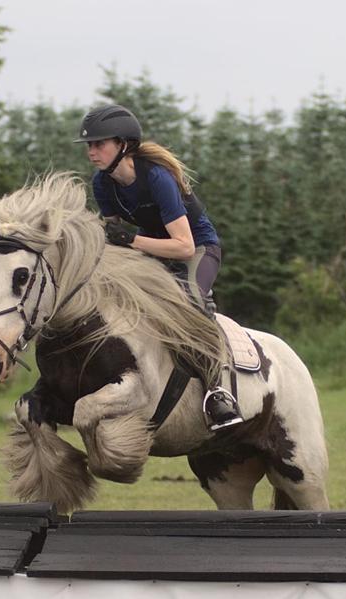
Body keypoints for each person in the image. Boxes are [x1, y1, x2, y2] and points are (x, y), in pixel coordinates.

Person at [76, 103, 242, 430]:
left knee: (189, 302)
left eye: (99, 144)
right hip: (152, 254)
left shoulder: (156, 177)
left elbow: (183, 246)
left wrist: (133, 241)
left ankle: (218, 392)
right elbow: (115, 236)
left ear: (124, 145)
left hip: (198, 251)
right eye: (89, 146)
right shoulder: (102, 183)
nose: (92, 152)